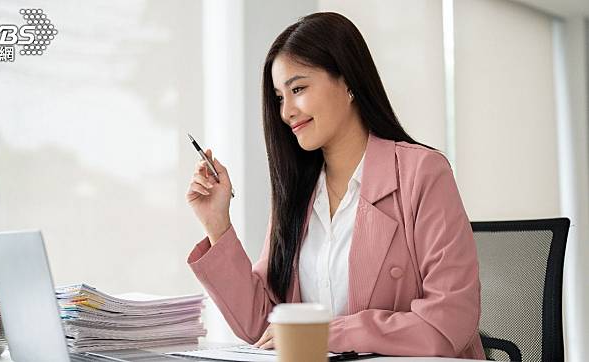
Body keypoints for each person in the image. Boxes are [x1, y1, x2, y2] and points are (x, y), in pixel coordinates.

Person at [185, 12, 485, 359]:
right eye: (280, 97)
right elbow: (262, 327)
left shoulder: (422, 172)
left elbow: (449, 323)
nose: (286, 112)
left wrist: (328, 333)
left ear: (348, 82)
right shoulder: (298, 192)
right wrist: (217, 224)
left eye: (298, 89)